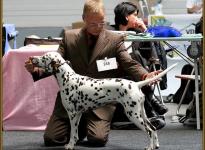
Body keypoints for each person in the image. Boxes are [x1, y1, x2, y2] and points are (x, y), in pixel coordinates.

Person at [25, 0, 163, 147]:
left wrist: (145, 75)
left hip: (100, 102)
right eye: (93, 24)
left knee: (97, 140)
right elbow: (55, 63)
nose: (98, 27)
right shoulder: (69, 37)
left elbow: (128, 63)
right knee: (52, 139)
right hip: (72, 100)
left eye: (101, 23)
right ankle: (78, 127)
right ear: (84, 19)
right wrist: (36, 70)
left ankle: (84, 128)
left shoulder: (114, 39)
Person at [111, 2, 167, 129]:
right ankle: (151, 103)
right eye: (135, 15)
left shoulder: (137, 32)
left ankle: (150, 105)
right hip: (116, 70)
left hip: (135, 73)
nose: (138, 19)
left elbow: (151, 50)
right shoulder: (110, 32)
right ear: (126, 17)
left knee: (136, 56)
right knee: (135, 56)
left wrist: (145, 30)